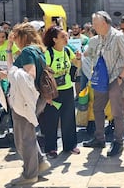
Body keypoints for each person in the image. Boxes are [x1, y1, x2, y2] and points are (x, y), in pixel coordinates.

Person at [0, 22, 51, 186]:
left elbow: (29, 76)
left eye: (15, 36)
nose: (13, 39)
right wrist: (9, 47)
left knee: (23, 139)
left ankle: (30, 174)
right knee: (28, 135)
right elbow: (17, 69)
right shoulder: (36, 50)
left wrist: (8, 75)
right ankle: (40, 162)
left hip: (26, 101)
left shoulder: (28, 51)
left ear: (23, 37)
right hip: (37, 98)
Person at [83, 11, 124, 157]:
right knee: (97, 108)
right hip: (102, 79)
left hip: (115, 78)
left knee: (116, 111)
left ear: (105, 23)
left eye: (96, 24)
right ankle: (100, 138)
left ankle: (118, 142)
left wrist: (121, 77)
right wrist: (81, 56)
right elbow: (88, 53)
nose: (93, 27)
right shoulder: (97, 39)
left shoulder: (118, 36)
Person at [39, 26, 82, 159]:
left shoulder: (68, 51)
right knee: (51, 120)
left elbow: (77, 66)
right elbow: (43, 75)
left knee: (69, 118)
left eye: (66, 36)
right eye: (63, 36)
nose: (66, 39)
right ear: (54, 39)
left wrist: (79, 59)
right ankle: (51, 148)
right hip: (53, 92)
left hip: (68, 89)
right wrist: (46, 95)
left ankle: (70, 145)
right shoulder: (48, 53)